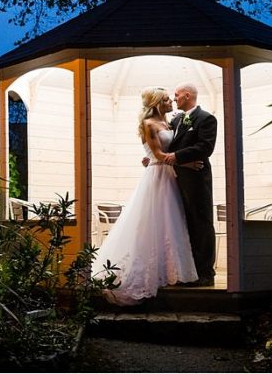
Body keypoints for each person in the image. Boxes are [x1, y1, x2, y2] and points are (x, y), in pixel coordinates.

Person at [91, 87, 202, 306]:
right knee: (152, 223)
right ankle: (144, 271)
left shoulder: (171, 123)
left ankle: (171, 270)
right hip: (157, 175)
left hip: (170, 175)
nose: (171, 101)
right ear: (159, 102)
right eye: (167, 99)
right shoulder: (149, 124)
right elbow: (158, 154)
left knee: (171, 223)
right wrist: (186, 162)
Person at [162, 82, 218, 286]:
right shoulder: (176, 120)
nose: (174, 98)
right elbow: (165, 146)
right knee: (183, 225)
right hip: (176, 179)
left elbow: (205, 147)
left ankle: (205, 273)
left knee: (200, 224)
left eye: (176, 95)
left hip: (196, 180)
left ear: (187, 96)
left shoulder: (206, 119)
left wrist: (177, 156)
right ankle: (187, 271)